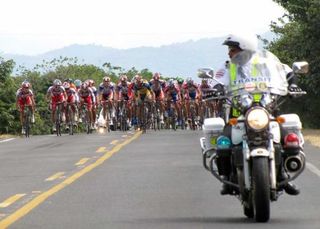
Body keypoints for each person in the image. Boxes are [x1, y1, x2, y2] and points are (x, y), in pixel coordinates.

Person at [214, 33, 301, 195]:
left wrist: (293, 85)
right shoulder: (227, 66)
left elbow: (287, 73)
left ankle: (283, 175)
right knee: (223, 143)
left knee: (289, 141)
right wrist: (216, 89)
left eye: (232, 49)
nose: (229, 53)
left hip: (267, 111)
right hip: (238, 114)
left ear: (244, 50)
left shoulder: (266, 63)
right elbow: (219, 81)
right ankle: (226, 177)